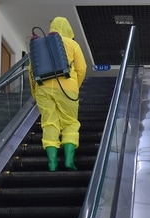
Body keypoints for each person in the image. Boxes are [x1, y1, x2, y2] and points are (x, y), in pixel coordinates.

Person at [29, 16, 87, 171]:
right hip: (67, 87)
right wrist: (75, 86)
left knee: (49, 122)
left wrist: (35, 92)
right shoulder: (72, 44)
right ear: (68, 29)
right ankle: (69, 160)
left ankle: (52, 163)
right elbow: (82, 69)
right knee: (70, 122)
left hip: (43, 88)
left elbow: (31, 71)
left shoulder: (39, 45)